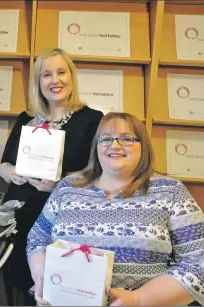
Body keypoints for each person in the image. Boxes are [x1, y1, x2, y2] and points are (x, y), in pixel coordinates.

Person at [27, 112, 204, 306]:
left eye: (126, 139)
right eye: (106, 139)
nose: (114, 145)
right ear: (96, 146)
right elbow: (38, 239)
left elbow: (199, 263)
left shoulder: (170, 191)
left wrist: (139, 299)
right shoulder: (68, 186)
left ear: (143, 146)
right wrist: (42, 278)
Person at [0, 48, 103, 304]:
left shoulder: (92, 119)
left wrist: (60, 185)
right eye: (46, 75)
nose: (54, 80)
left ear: (71, 76)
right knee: (20, 286)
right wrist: (12, 173)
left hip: (60, 219)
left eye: (61, 72)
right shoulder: (26, 118)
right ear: (38, 81)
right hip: (18, 217)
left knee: (54, 291)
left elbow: (98, 175)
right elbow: (2, 165)